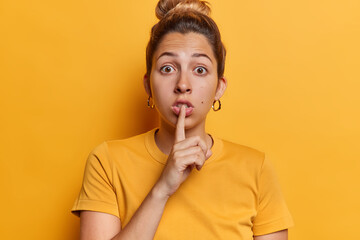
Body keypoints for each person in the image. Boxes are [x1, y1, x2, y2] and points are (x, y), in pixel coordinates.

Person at [71, 0, 294, 239]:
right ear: (148, 85)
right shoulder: (106, 162)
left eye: (199, 69)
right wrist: (162, 189)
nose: (183, 85)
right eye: (168, 68)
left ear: (219, 87)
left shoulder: (256, 169)